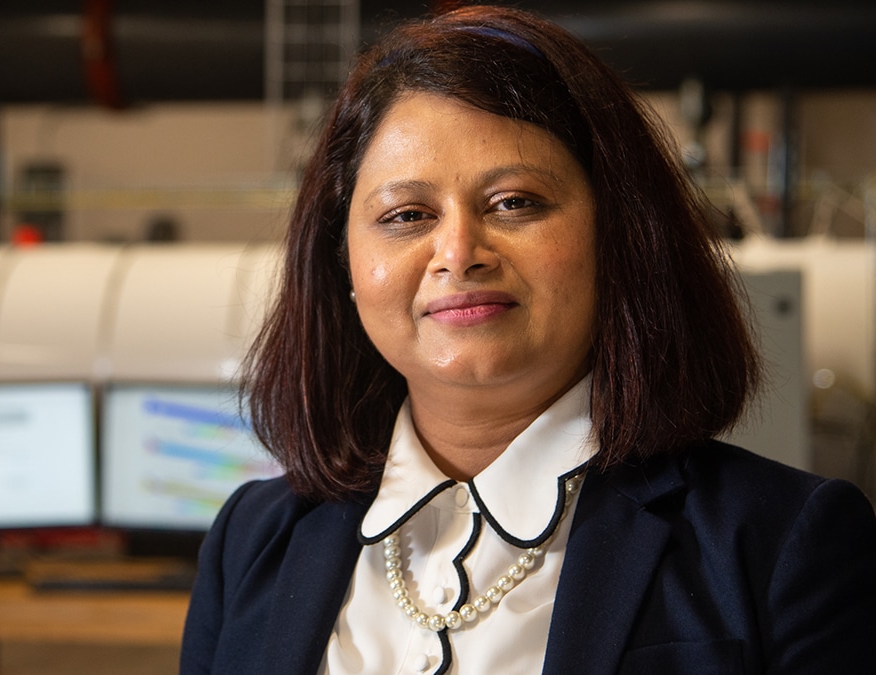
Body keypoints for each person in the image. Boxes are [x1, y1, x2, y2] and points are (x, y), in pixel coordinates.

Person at [180, 5, 876, 674]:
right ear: (345, 266)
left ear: (620, 237)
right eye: (406, 214)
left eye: (515, 202)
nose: (458, 252)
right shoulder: (251, 540)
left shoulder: (784, 543)